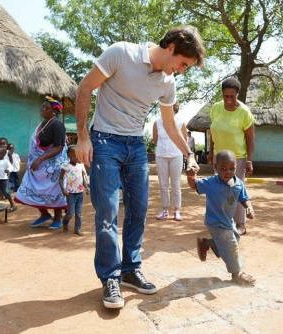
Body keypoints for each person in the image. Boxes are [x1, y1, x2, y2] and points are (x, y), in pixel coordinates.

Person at [75, 25, 205, 309]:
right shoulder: (121, 53)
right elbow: (85, 88)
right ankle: (110, 277)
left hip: (135, 145)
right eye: (183, 63)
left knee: (139, 209)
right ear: (171, 47)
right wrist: (83, 137)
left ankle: (131, 269)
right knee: (108, 211)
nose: (182, 70)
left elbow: (170, 125)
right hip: (104, 140)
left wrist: (189, 154)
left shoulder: (167, 83)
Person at [187, 150, 256, 286]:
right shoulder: (211, 183)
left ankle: (207, 243)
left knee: (235, 238)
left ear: (236, 167)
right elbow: (194, 186)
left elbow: (244, 198)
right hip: (215, 222)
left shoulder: (238, 184)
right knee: (231, 245)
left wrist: (249, 207)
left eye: (232, 169)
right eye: (223, 169)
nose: (228, 172)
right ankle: (237, 274)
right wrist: (191, 176)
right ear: (215, 167)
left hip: (228, 221)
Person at [207, 77, 255, 236]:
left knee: (236, 189)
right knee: (218, 190)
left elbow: (250, 138)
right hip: (219, 158)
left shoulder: (244, 112)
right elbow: (212, 132)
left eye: (232, 96)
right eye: (225, 96)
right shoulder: (215, 108)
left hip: (238, 159)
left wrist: (249, 160)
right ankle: (222, 222)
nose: (228, 100)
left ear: (237, 94)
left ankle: (240, 224)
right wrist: (210, 152)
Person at [15, 96, 67, 230]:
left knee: (54, 190)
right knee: (30, 187)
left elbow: (59, 147)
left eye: (46, 108)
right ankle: (44, 214)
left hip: (53, 166)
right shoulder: (43, 124)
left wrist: (40, 159)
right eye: (42, 107)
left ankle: (57, 218)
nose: (42, 109)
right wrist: (36, 160)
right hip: (37, 166)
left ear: (54, 111)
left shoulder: (57, 125)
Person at [153, 102, 186, 221]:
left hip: (176, 156)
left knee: (176, 184)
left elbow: (184, 141)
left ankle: (177, 210)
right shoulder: (157, 122)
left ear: (175, 109)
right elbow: (155, 140)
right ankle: (165, 209)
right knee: (163, 185)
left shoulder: (181, 122)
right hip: (161, 155)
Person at [59, 145, 88, 236]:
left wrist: (86, 186)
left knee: (78, 213)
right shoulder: (65, 166)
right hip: (70, 193)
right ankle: (65, 222)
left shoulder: (81, 165)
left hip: (80, 193)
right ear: (69, 156)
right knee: (71, 213)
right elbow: (60, 179)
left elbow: (83, 176)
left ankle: (77, 229)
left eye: (78, 155)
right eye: (74, 156)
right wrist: (63, 189)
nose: (77, 157)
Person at [0, 147, 17, 212]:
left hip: (3, 180)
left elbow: (11, 167)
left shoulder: (6, 161)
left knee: (6, 192)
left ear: (3, 154)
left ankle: (13, 205)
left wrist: (8, 170)